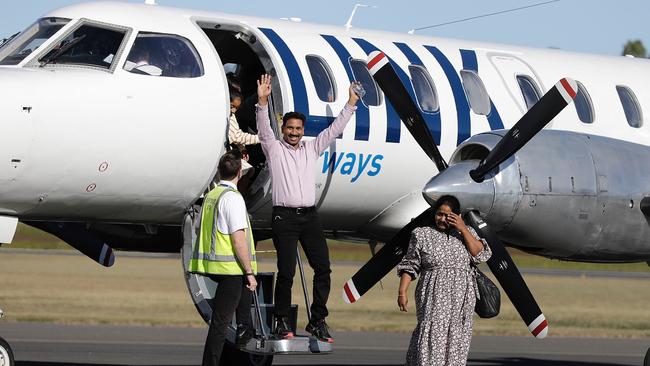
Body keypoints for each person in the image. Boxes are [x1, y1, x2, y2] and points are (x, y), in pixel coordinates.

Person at [256, 74, 360, 342]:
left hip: (309, 216)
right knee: (287, 271)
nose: (293, 132)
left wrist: (350, 103)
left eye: (298, 128)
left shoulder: (311, 148)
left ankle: (317, 320)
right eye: (290, 128)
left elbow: (334, 130)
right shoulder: (274, 149)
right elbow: (264, 128)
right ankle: (280, 320)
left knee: (323, 268)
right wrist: (262, 101)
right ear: (284, 129)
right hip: (284, 217)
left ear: (303, 130)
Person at [396, 195, 492, 366]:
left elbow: (481, 255)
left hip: (462, 298)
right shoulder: (422, 234)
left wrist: (463, 229)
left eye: (447, 215)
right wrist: (402, 292)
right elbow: (410, 265)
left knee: (457, 337)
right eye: (439, 214)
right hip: (434, 294)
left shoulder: (467, 233)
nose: (442, 219)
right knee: (433, 332)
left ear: (457, 216)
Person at [188, 150, 258, 366]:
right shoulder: (233, 199)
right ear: (239, 172)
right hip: (230, 269)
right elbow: (238, 239)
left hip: (213, 266)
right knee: (220, 323)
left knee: (243, 294)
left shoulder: (211, 196)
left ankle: (246, 329)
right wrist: (249, 272)